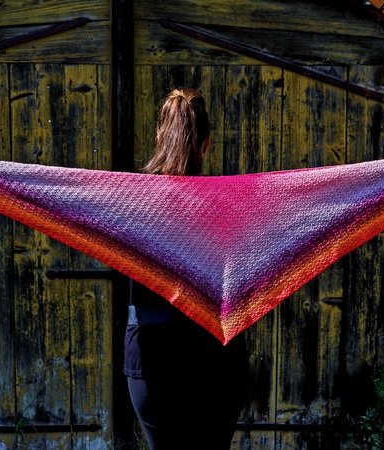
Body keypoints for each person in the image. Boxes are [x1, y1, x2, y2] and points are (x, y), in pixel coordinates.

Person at [123, 88, 249, 450]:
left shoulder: (126, 201)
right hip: (216, 356)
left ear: (159, 137)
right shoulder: (233, 205)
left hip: (151, 354)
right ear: (207, 144)